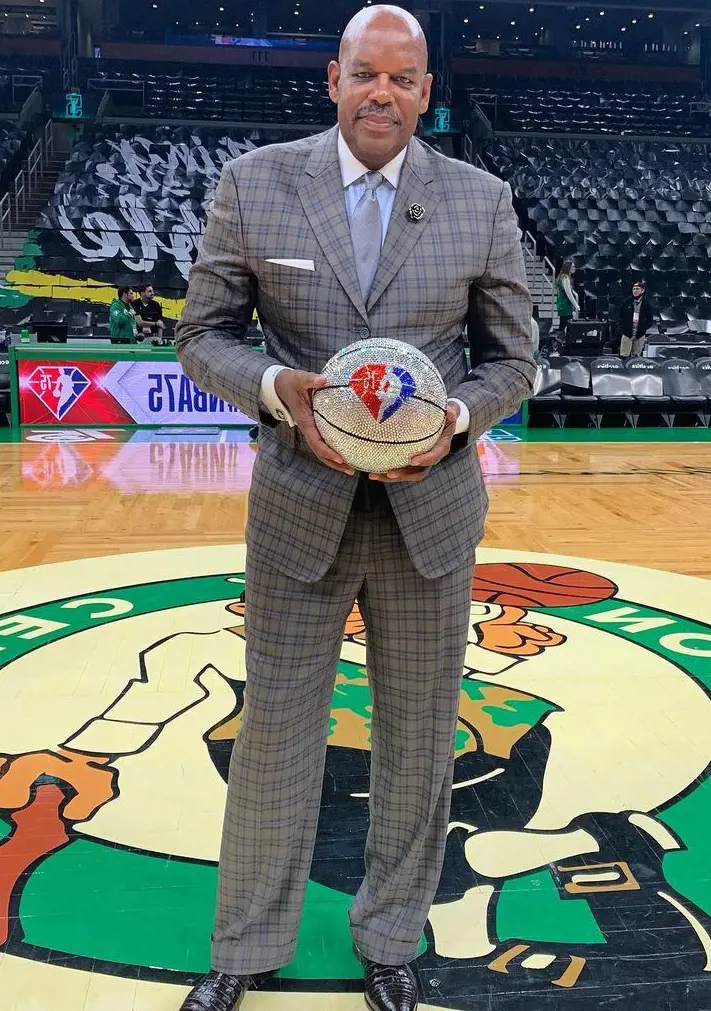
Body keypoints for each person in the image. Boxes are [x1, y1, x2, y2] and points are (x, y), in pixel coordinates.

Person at [174, 6, 535, 1011]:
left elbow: (515, 359)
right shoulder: (256, 184)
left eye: (405, 79)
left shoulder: (481, 199)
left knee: (419, 740)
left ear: (427, 91)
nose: (385, 94)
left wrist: (457, 420)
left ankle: (388, 938)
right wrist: (280, 392)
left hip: (429, 519)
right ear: (333, 79)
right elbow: (202, 336)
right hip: (300, 508)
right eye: (367, 75)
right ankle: (245, 947)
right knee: (275, 735)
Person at [618, 280, 654, 358]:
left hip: (640, 334)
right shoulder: (626, 302)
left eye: (637, 289)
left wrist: (643, 328)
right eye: (634, 289)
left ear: (642, 290)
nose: (635, 290)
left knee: (636, 356)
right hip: (627, 333)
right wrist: (623, 328)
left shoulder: (646, 304)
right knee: (624, 355)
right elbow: (620, 317)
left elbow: (650, 319)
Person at [555, 259, 580, 338]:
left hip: (562, 305)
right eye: (572, 266)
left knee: (563, 325)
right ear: (568, 267)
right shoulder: (565, 278)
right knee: (566, 326)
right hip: (565, 305)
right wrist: (576, 305)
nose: (574, 268)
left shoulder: (562, 277)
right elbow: (569, 294)